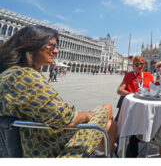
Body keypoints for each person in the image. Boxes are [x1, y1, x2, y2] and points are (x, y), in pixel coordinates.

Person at [0, 25, 118, 157]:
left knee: (110, 125)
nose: (56, 51)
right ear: (32, 45)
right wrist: (85, 115)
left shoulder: (8, 73)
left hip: (32, 139)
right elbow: (67, 119)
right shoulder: (24, 76)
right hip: (48, 149)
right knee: (107, 108)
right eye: (52, 46)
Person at [115, 56, 161, 158]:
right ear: (133, 65)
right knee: (134, 135)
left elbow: (156, 87)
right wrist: (132, 94)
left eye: (142, 64)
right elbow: (119, 90)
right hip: (134, 109)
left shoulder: (148, 75)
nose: (139, 66)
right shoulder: (129, 76)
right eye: (137, 64)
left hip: (147, 108)